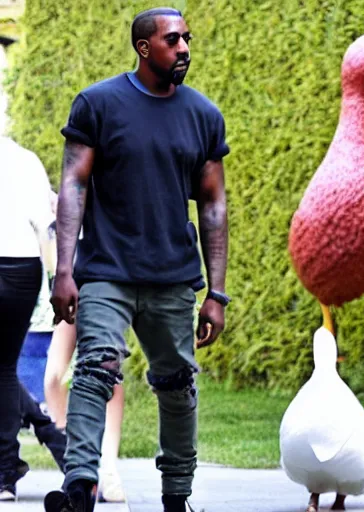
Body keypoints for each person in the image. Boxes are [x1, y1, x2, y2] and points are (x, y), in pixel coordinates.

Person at [44, 6, 231, 512]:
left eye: (188, 38)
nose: (185, 48)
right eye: (174, 40)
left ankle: (177, 494)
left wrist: (216, 293)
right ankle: (80, 484)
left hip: (173, 278)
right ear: (145, 47)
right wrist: (64, 270)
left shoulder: (203, 115)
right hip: (107, 270)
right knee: (96, 369)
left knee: (177, 385)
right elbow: (73, 185)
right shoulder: (98, 104)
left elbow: (213, 205)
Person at [0, 136, 66, 500]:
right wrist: (58, 281)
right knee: (5, 367)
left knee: (3, 369)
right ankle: (50, 440)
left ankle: (6, 473)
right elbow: (47, 227)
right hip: (23, 268)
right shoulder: (25, 159)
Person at [44, 320, 126, 502]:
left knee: (108, 369)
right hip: (59, 303)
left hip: (105, 297)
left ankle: (108, 470)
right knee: (54, 378)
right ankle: (74, 458)